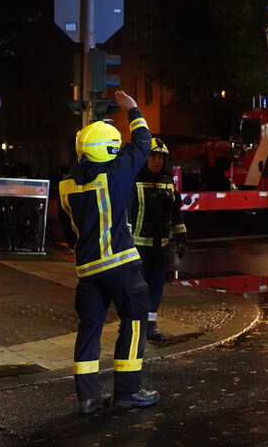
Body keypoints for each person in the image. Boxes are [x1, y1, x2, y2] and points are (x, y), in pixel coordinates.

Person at [58, 90, 158, 415]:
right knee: (135, 320)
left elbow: (66, 231)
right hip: (121, 266)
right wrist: (133, 110)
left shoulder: (66, 186)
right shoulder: (115, 175)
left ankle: (87, 399)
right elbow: (143, 144)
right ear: (109, 150)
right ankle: (128, 393)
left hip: (87, 270)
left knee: (89, 329)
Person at [130, 138, 188, 342]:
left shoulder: (168, 183)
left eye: (160, 157)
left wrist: (181, 237)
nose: (156, 161)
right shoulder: (133, 181)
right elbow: (126, 215)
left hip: (159, 248)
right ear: (145, 158)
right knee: (136, 290)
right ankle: (133, 326)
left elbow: (176, 214)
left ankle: (150, 326)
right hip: (136, 249)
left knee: (155, 287)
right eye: (152, 156)